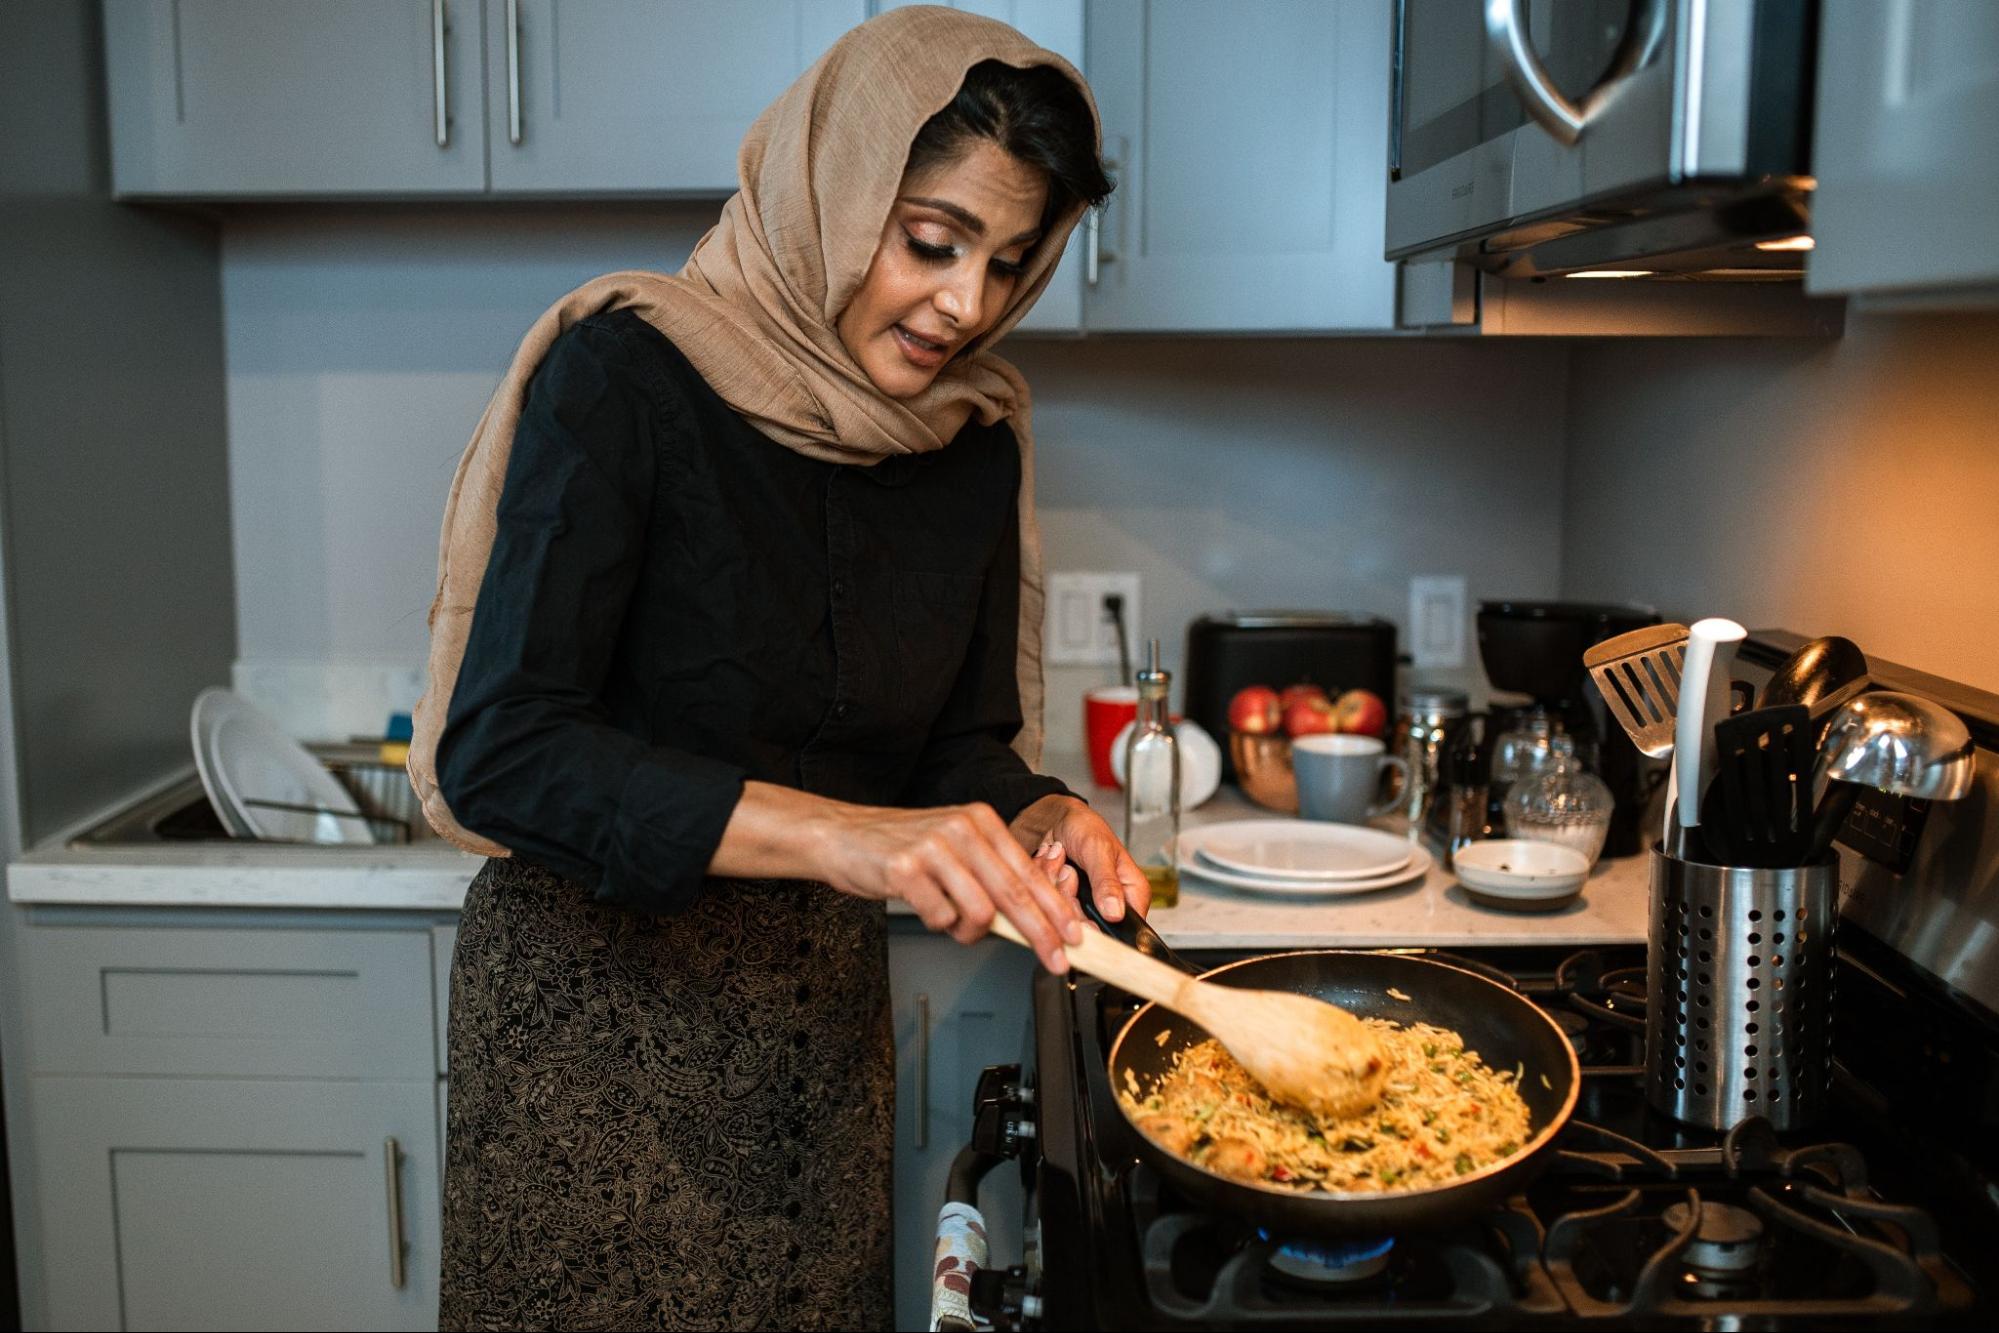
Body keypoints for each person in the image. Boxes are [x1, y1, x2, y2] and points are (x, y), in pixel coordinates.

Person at [410, 9, 1148, 1329]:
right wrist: (845, 837)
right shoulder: (628, 375)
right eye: (931, 242)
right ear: (835, 184)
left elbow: (961, 747)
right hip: (591, 1045)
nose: (966, 304)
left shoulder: (974, 443)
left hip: (817, 1059)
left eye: (1010, 261)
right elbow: (503, 752)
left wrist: (1046, 814)